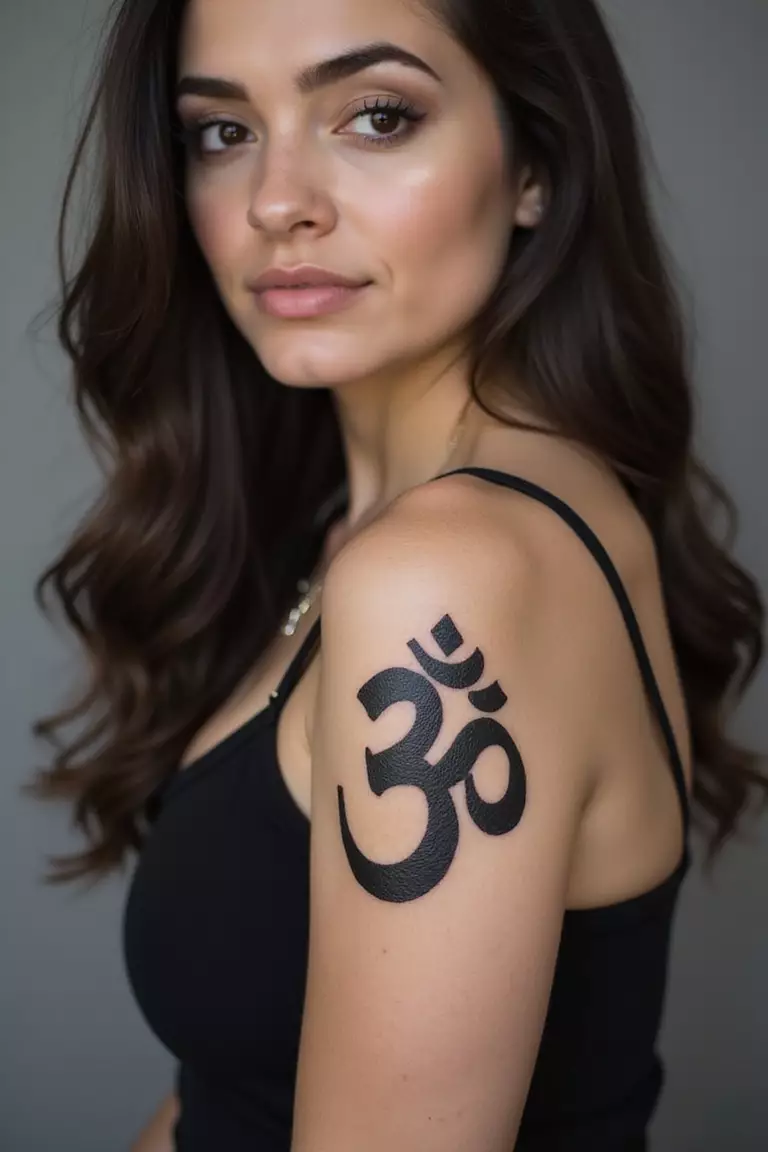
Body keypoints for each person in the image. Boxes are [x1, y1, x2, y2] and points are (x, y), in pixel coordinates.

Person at [27, 0, 766, 1149]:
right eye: (222, 133)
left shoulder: (447, 575)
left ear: (539, 166)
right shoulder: (360, 531)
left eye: (375, 115)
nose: (277, 201)